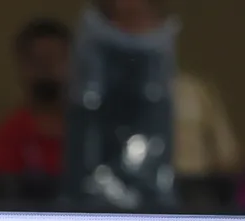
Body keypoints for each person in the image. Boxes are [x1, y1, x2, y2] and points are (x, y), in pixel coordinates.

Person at [98, 0, 239, 175]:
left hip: (194, 195)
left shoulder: (195, 93)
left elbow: (228, 162)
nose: (132, 31)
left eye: (137, 18)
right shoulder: (94, 98)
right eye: (121, 21)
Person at [0, 18, 71, 176]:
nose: (46, 69)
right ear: (22, 67)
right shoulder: (6, 137)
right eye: (37, 61)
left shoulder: (93, 134)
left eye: (54, 59)